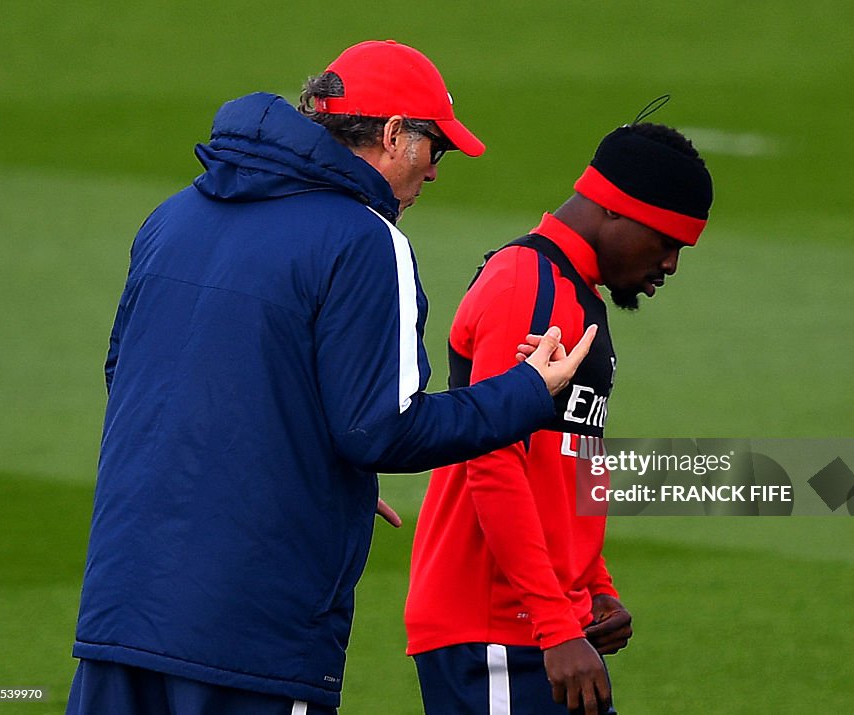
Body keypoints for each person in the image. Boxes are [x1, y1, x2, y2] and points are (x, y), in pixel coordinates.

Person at [66, 40, 595, 715]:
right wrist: (524, 391)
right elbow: (381, 432)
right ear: (396, 134)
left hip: (121, 611)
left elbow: (137, 377)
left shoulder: (172, 217)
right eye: (438, 148)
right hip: (250, 636)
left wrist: (302, 467)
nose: (435, 173)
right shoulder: (366, 238)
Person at [405, 120, 714, 714]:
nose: (670, 265)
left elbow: (569, 459)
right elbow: (491, 459)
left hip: (544, 621)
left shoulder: (573, 293)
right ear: (618, 212)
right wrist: (555, 625)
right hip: (498, 625)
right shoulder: (530, 286)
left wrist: (595, 587)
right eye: (667, 242)